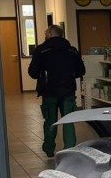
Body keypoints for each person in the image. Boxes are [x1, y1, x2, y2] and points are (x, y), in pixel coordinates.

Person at [28, 25, 85, 157]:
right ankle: (69, 150)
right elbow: (81, 71)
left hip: (49, 92)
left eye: (46, 32)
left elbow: (33, 73)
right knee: (68, 121)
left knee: (50, 120)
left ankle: (49, 149)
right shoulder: (72, 50)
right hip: (68, 91)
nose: (45, 34)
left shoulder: (41, 50)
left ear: (49, 33)